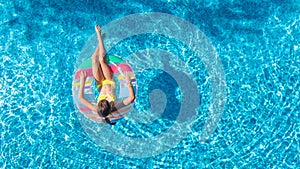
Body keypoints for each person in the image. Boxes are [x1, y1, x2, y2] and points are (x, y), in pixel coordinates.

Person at [78, 25, 135, 125]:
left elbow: (81, 98)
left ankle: (101, 40)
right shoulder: (114, 106)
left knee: (93, 59)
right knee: (101, 60)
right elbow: (131, 98)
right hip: (109, 80)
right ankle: (99, 36)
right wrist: (128, 82)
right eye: (106, 100)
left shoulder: (97, 108)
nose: (104, 99)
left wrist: (83, 81)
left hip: (99, 83)